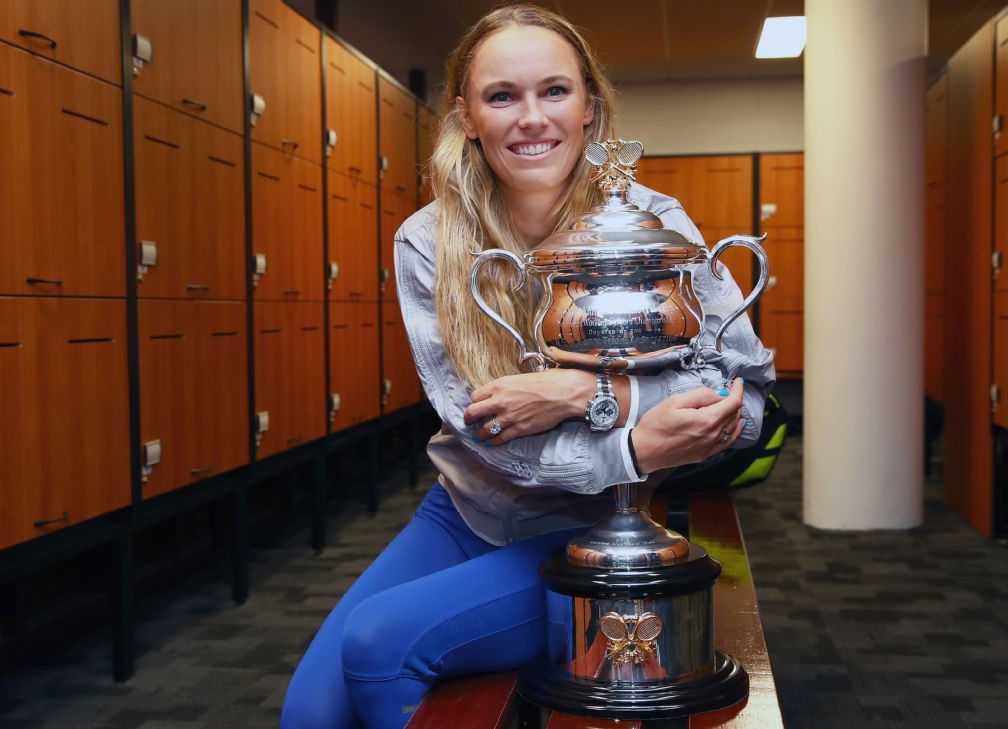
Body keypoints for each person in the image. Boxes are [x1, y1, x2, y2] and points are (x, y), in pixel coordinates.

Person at [281, 5, 774, 728]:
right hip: (469, 508)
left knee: (380, 646)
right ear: (467, 117)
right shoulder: (428, 241)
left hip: (607, 520)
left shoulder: (653, 220)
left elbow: (745, 402)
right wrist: (634, 439)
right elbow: (484, 431)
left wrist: (582, 390)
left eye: (554, 91)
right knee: (310, 715)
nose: (531, 118)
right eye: (502, 96)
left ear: (590, 109)